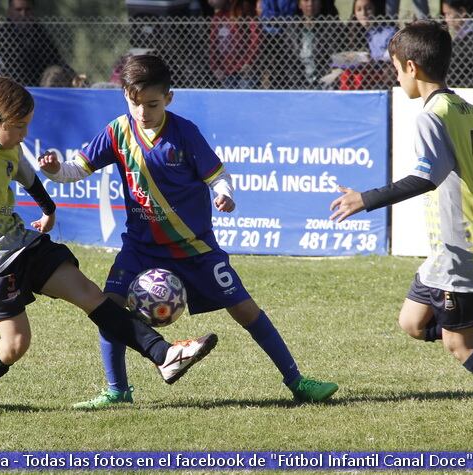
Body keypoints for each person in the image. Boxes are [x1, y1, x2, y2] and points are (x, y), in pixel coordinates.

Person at [0, 77, 218, 421]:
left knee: (90, 293)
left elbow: (29, 180)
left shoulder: (8, 146)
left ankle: (164, 355)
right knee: (16, 344)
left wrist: (48, 211)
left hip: (22, 243)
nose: (24, 135)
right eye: (19, 127)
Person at [38, 54, 338, 409]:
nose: (143, 113)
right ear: (125, 97)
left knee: (244, 309)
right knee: (110, 309)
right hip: (141, 247)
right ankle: (117, 390)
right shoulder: (117, 131)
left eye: (152, 104)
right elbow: (76, 169)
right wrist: (56, 169)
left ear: (169, 98)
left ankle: (297, 381)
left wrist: (224, 194)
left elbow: (218, 176)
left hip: (195, 247)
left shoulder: (184, 133)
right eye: (135, 104)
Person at [329, 21, 473, 431]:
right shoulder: (465, 109)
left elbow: (425, 178)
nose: (396, 76)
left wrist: (364, 199)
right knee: (414, 322)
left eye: (395, 68)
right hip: (454, 247)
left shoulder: (431, 116)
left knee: (460, 343)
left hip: (460, 248)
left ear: (411, 67)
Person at [0, 0, 66, 87]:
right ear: (9, 12)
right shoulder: (0, 35)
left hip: (38, 82)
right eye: (18, 10)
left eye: (27, 10)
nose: (23, 14)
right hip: (10, 85)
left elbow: (55, 58)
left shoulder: (40, 33)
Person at [207, 0, 260, 89]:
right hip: (226, 69)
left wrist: (249, 62)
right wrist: (215, 66)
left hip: (244, 69)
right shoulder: (217, 17)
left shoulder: (244, 11)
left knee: (246, 97)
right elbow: (213, 44)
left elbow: (255, 38)